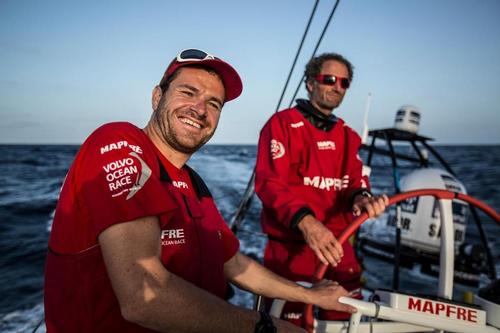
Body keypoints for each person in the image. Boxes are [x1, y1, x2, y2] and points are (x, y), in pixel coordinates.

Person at [44, 48, 356, 333]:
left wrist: (310, 295)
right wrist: (265, 327)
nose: (199, 109)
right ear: (157, 97)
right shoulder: (119, 143)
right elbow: (143, 297)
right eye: (188, 92)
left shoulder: (194, 186)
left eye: (213, 103)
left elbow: (233, 263)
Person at [255, 52, 389, 325]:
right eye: (329, 79)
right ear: (310, 83)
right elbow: (270, 185)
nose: (337, 87)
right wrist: (307, 223)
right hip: (291, 252)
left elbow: (354, 182)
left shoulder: (349, 136)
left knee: (347, 325)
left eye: (344, 82)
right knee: (285, 326)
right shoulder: (281, 125)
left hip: (340, 251)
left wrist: (363, 199)